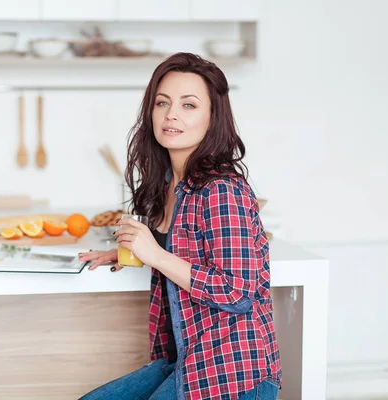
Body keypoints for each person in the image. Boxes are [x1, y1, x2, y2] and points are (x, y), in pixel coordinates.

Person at [78, 52, 281, 400]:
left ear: (212, 118)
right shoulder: (169, 183)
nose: (171, 114)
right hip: (185, 361)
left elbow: (237, 291)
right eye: (162, 103)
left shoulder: (221, 190)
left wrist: (155, 255)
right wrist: (132, 252)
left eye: (189, 105)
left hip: (230, 371)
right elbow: (183, 251)